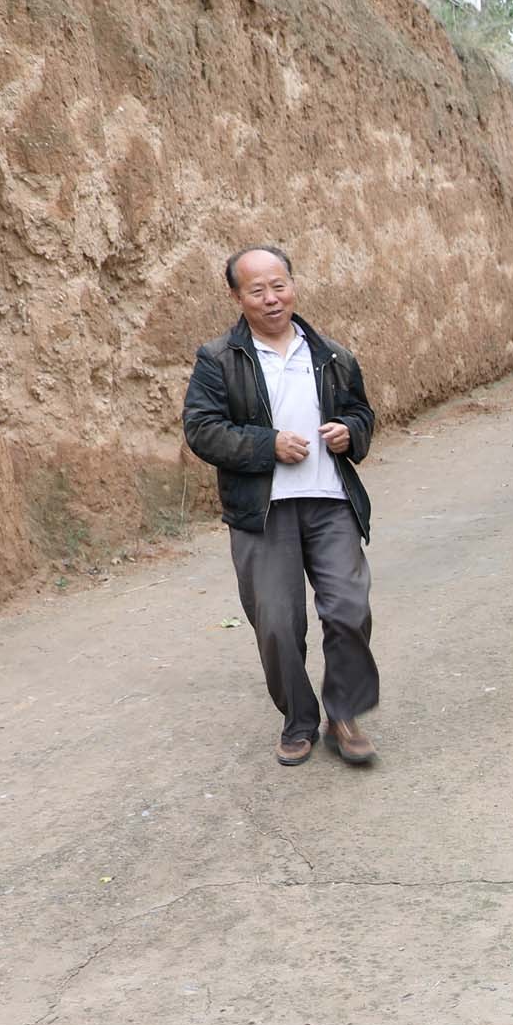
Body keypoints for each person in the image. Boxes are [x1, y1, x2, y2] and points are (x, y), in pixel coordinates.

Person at [182, 245, 381, 767]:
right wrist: (267, 445)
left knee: (349, 607)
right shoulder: (218, 359)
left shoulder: (331, 355)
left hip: (330, 501)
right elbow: (201, 431)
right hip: (263, 511)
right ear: (236, 296)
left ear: (293, 285)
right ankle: (299, 719)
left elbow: (362, 412)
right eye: (257, 290)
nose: (272, 299)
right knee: (276, 621)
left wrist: (350, 432)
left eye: (279, 286)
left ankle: (344, 713)